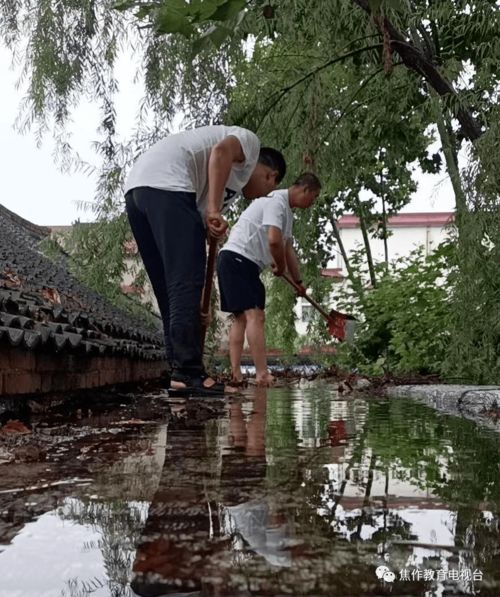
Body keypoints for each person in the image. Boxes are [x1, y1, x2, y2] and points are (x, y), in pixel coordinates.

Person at [124, 125, 286, 397]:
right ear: (271, 176)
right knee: (182, 285)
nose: (260, 196)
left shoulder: (220, 185)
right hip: (168, 181)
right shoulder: (250, 143)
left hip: (139, 189)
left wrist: (201, 302)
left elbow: (194, 237)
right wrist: (213, 209)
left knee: (170, 289)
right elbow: (221, 151)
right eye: (267, 190)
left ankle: (179, 370)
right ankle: (188, 372)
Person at [217, 172, 322, 387]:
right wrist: (279, 264)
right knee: (256, 315)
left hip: (232, 259)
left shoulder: (286, 213)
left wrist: (298, 282)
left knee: (241, 318)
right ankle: (262, 374)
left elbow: (287, 248)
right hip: (240, 259)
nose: (313, 203)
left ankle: (236, 374)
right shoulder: (277, 202)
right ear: (305, 190)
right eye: (314, 197)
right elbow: (274, 241)